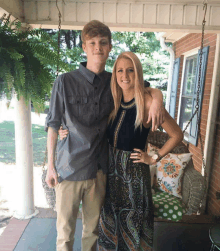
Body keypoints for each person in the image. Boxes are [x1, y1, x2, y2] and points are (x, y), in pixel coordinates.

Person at [45, 20, 165, 251]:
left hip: (100, 171)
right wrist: (50, 166)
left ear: (109, 47)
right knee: (65, 234)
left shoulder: (115, 81)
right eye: (92, 43)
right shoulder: (65, 81)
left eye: (102, 43)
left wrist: (157, 97)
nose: (97, 48)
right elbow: (52, 125)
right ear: (84, 47)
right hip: (69, 168)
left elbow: (143, 87)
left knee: (92, 232)